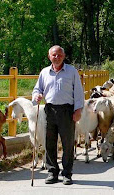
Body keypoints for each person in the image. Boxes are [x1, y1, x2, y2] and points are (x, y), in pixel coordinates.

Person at [32, 45, 84, 185]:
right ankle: (52, 172)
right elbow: (37, 89)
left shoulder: (71, 71)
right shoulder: (44, 72)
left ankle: (67, 174)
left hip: (67, 111)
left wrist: (78, 110)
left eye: (59, 55)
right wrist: (37, 96)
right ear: (49, 57)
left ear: (64, 56)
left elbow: (78, 92)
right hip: (50, 110)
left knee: (67, 144)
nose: (57, 57)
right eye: (54, 55)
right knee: (50, 143)